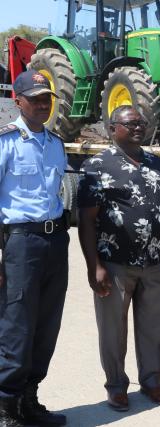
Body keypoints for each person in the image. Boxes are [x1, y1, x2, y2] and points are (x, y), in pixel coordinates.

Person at [77, 105, 160, 411]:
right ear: (113, 128)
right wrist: (94, 266)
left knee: (154, 326)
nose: (139, 128)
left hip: (155, 263)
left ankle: (152, 382)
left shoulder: (158, 163)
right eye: (131, 124)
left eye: (142, 123)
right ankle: (116, 386)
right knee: (113, 329)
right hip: (115, 263)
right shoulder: (97, 166)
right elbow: (86, 221)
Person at [0, 70, 69, 426]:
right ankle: (6, 407)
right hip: (21, 242)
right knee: (16, 326)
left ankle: (29, 399)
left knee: (46, 325)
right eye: (35, 98)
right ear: (18, 101)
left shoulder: (56, 144)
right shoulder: (6, 142)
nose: (43, 104)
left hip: (55, 240)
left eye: (47, 98)